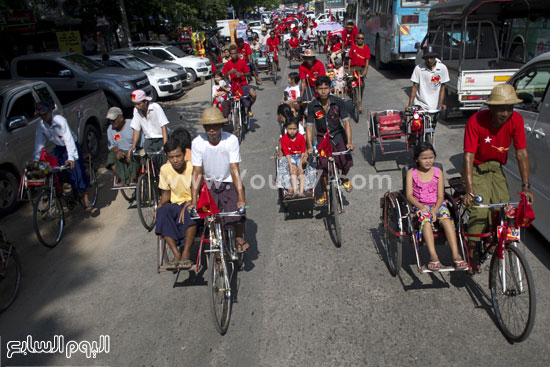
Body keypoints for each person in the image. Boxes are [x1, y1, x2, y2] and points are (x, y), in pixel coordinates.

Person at [462, 83, 534, 273]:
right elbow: (468, 157)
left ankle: (494, 239)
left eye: (509, 108)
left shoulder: (516, 120)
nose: (506, 113)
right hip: (476, 168)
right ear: (491, 107)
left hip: (495, 168)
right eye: (501, 108)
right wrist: (469, 190)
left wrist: (526, 186)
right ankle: (472, 251)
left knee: (505, 208)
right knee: (479, 210)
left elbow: (522, 154)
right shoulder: (475, 121)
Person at [189, 107, 249, 253]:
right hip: (209, 184)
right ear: (204, 127)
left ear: (221, 125)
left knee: (238, 211)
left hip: (228, 181)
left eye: (215, 126)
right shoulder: (198, 142)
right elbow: (196, 172)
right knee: (207, 215)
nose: (211, 130)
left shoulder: (230, 140)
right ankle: (216, 243)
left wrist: (241, 198)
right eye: (208, 126)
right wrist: (193, 199)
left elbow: (234, 169)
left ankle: (239, 236)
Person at [406, 142, 468, 271]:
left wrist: (435, 210)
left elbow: (441, 196)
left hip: (438, 204)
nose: (428, 161)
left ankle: (456, 255)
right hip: (421, 205)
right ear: (417, 159)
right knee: (426, 222)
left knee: (446, 220)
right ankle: (434, 256)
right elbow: (409, 195)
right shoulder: (412, 173)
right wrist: (421, 208)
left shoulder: (438, 172)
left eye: (431, 157)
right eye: (424, 158)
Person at [33, 101, 92, 210]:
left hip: (71, 146)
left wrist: (71, 158)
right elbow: (39, 145)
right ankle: (60, 194)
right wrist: (36, 161)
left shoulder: (60, 120)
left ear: (50, 111)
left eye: (45, 114)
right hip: (59, 148)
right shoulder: (41, 125)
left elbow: (68, 139)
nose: (43, 117)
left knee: (76, 170)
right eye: (40, 115)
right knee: (53, 170)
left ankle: (85, 196)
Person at [306, 76, 354, 205]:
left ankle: (343, 178)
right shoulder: (313, 105)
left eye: (325, 88)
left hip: (338, 136)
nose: (323, 91)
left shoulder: (338, 102)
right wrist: (310, 146)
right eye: (320, 89)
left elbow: (346, 123)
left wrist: (349, 141)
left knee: (345, 160)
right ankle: (324, 194)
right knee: (322, 167)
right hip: (322, 139)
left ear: (330, 88)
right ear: (316, 89)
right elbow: (309, 127)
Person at [155, 136, 197, 271]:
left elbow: (201, 189)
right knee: (162, 213)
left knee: (191, 212)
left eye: (178, 156)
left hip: (194, 202)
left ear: (184, 154)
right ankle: (176, 253)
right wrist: (160, 206)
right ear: (167, 157)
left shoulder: (193, 167)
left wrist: (191, 203)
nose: (175, 160)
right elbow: (166, 193)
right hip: (176, 204)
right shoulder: (165, 169)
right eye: (171, 157)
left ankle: (186, 252)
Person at [128, 90, 169, 172]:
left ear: (145, 102)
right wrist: (133, 147)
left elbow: (163, 126)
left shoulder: (155, 107)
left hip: (161, 137)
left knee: (164, 163)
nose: (137, 106)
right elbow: (136, 129)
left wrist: (165, 144)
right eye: (135, 104)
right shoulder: (136, 111)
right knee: (147, 161)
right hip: (149, 140)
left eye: (139, 104)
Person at [407, 45, 449, 112]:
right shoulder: (419, 68)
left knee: (432, 122)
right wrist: (410, 105)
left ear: (435, 57)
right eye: (427, 58)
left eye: (431, 58)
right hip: (420, 104)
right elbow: (415, 87)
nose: (429, 60)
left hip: (434, 105)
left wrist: (441, 103)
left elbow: (442, 87)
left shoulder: (442, 68)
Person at [105, 107, 140, 186]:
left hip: (134, 150)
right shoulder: (110, 129)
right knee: (111, 157)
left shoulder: (132, 125)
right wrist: (117, 151)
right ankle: (123, 178)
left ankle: (132, 179)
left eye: (113, 120)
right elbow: (111, 146)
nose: (112, 122)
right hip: (120, 150)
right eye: (110, 121)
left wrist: (131, 150)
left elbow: (140, 143)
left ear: (121, 118)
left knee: (132, 157)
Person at [222, 43, 257, 117]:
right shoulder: (227, 64)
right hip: (233, 86)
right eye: (231, 54)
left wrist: (242, 74)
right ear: (230, 54)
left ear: (237, 53)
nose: (233, 55)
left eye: (235, 53)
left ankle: (249, 108)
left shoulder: (242, 62)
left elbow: (249, 74)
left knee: (253, 94)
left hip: (243, 84)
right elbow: (224, 77)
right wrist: (229, 72)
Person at [280, 118, 307, 199]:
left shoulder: (301, 137)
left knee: (300, 172)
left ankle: (301, 192)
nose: (292, 131)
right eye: (290, 129)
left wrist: (300, 165)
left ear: (297, 129)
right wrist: (290, 165)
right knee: (293, 171)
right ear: (286, 129)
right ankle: (295, 191)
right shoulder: (284, 138)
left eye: (294, 129)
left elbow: (303, 151)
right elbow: (286, 153)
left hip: (299, 156)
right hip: (290, 156)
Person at [348, 32, 370, 110]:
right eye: (359, 38)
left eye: (362, 38)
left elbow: (367, 60)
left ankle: (360, 102)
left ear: (363, 40)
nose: (360, 40)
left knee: (361, 85)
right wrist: (348, 68)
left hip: (361, 68)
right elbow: (350, 58)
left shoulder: (366, 48)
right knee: (350, 82)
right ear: (356, 39)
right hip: (353, 68)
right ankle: (351, 94)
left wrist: (365, 70)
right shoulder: (353, 47)